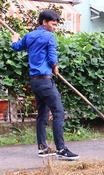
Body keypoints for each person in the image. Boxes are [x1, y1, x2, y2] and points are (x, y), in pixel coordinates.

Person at [11, 10, 79, 160]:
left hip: (35, 81)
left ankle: (42, 148)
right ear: (44, 22)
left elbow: (16, 47)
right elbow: (52, 57)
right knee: (58, 112)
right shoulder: (49, 36)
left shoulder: (29, 36)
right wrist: (55, 65)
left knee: (42, 114)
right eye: (53, 24)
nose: (55, 27)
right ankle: (61, 149)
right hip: (45, 80)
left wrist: (14, 39)